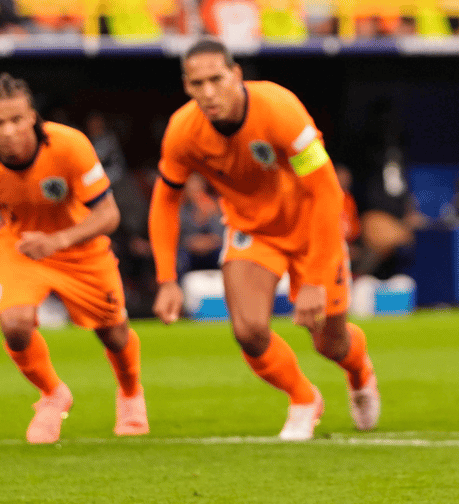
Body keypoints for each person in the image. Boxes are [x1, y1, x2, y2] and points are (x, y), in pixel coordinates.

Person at [148, 40, 379, 440]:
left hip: (311, 229)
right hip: (252, 231)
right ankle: (304, 398)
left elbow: (326, 194)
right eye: (197, 83)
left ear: (236, 75)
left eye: (216, 79)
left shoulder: (279, 110)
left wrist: (312, 281)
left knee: (330, 343)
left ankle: (359, 371)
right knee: (249, 331)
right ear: (186, 86)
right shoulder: (183, 131)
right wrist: (167, 279)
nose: (208, 91)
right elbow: (165, 199)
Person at [0, 74, 146, 443]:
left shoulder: (70, 146)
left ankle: (130, 392)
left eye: (16, 119)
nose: (8, 130)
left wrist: (57, 240)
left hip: (80, 248)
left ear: (32, 116)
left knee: (113, 333)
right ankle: (52, 394)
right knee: (13, 323)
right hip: (20, 246)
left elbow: (108, 215)